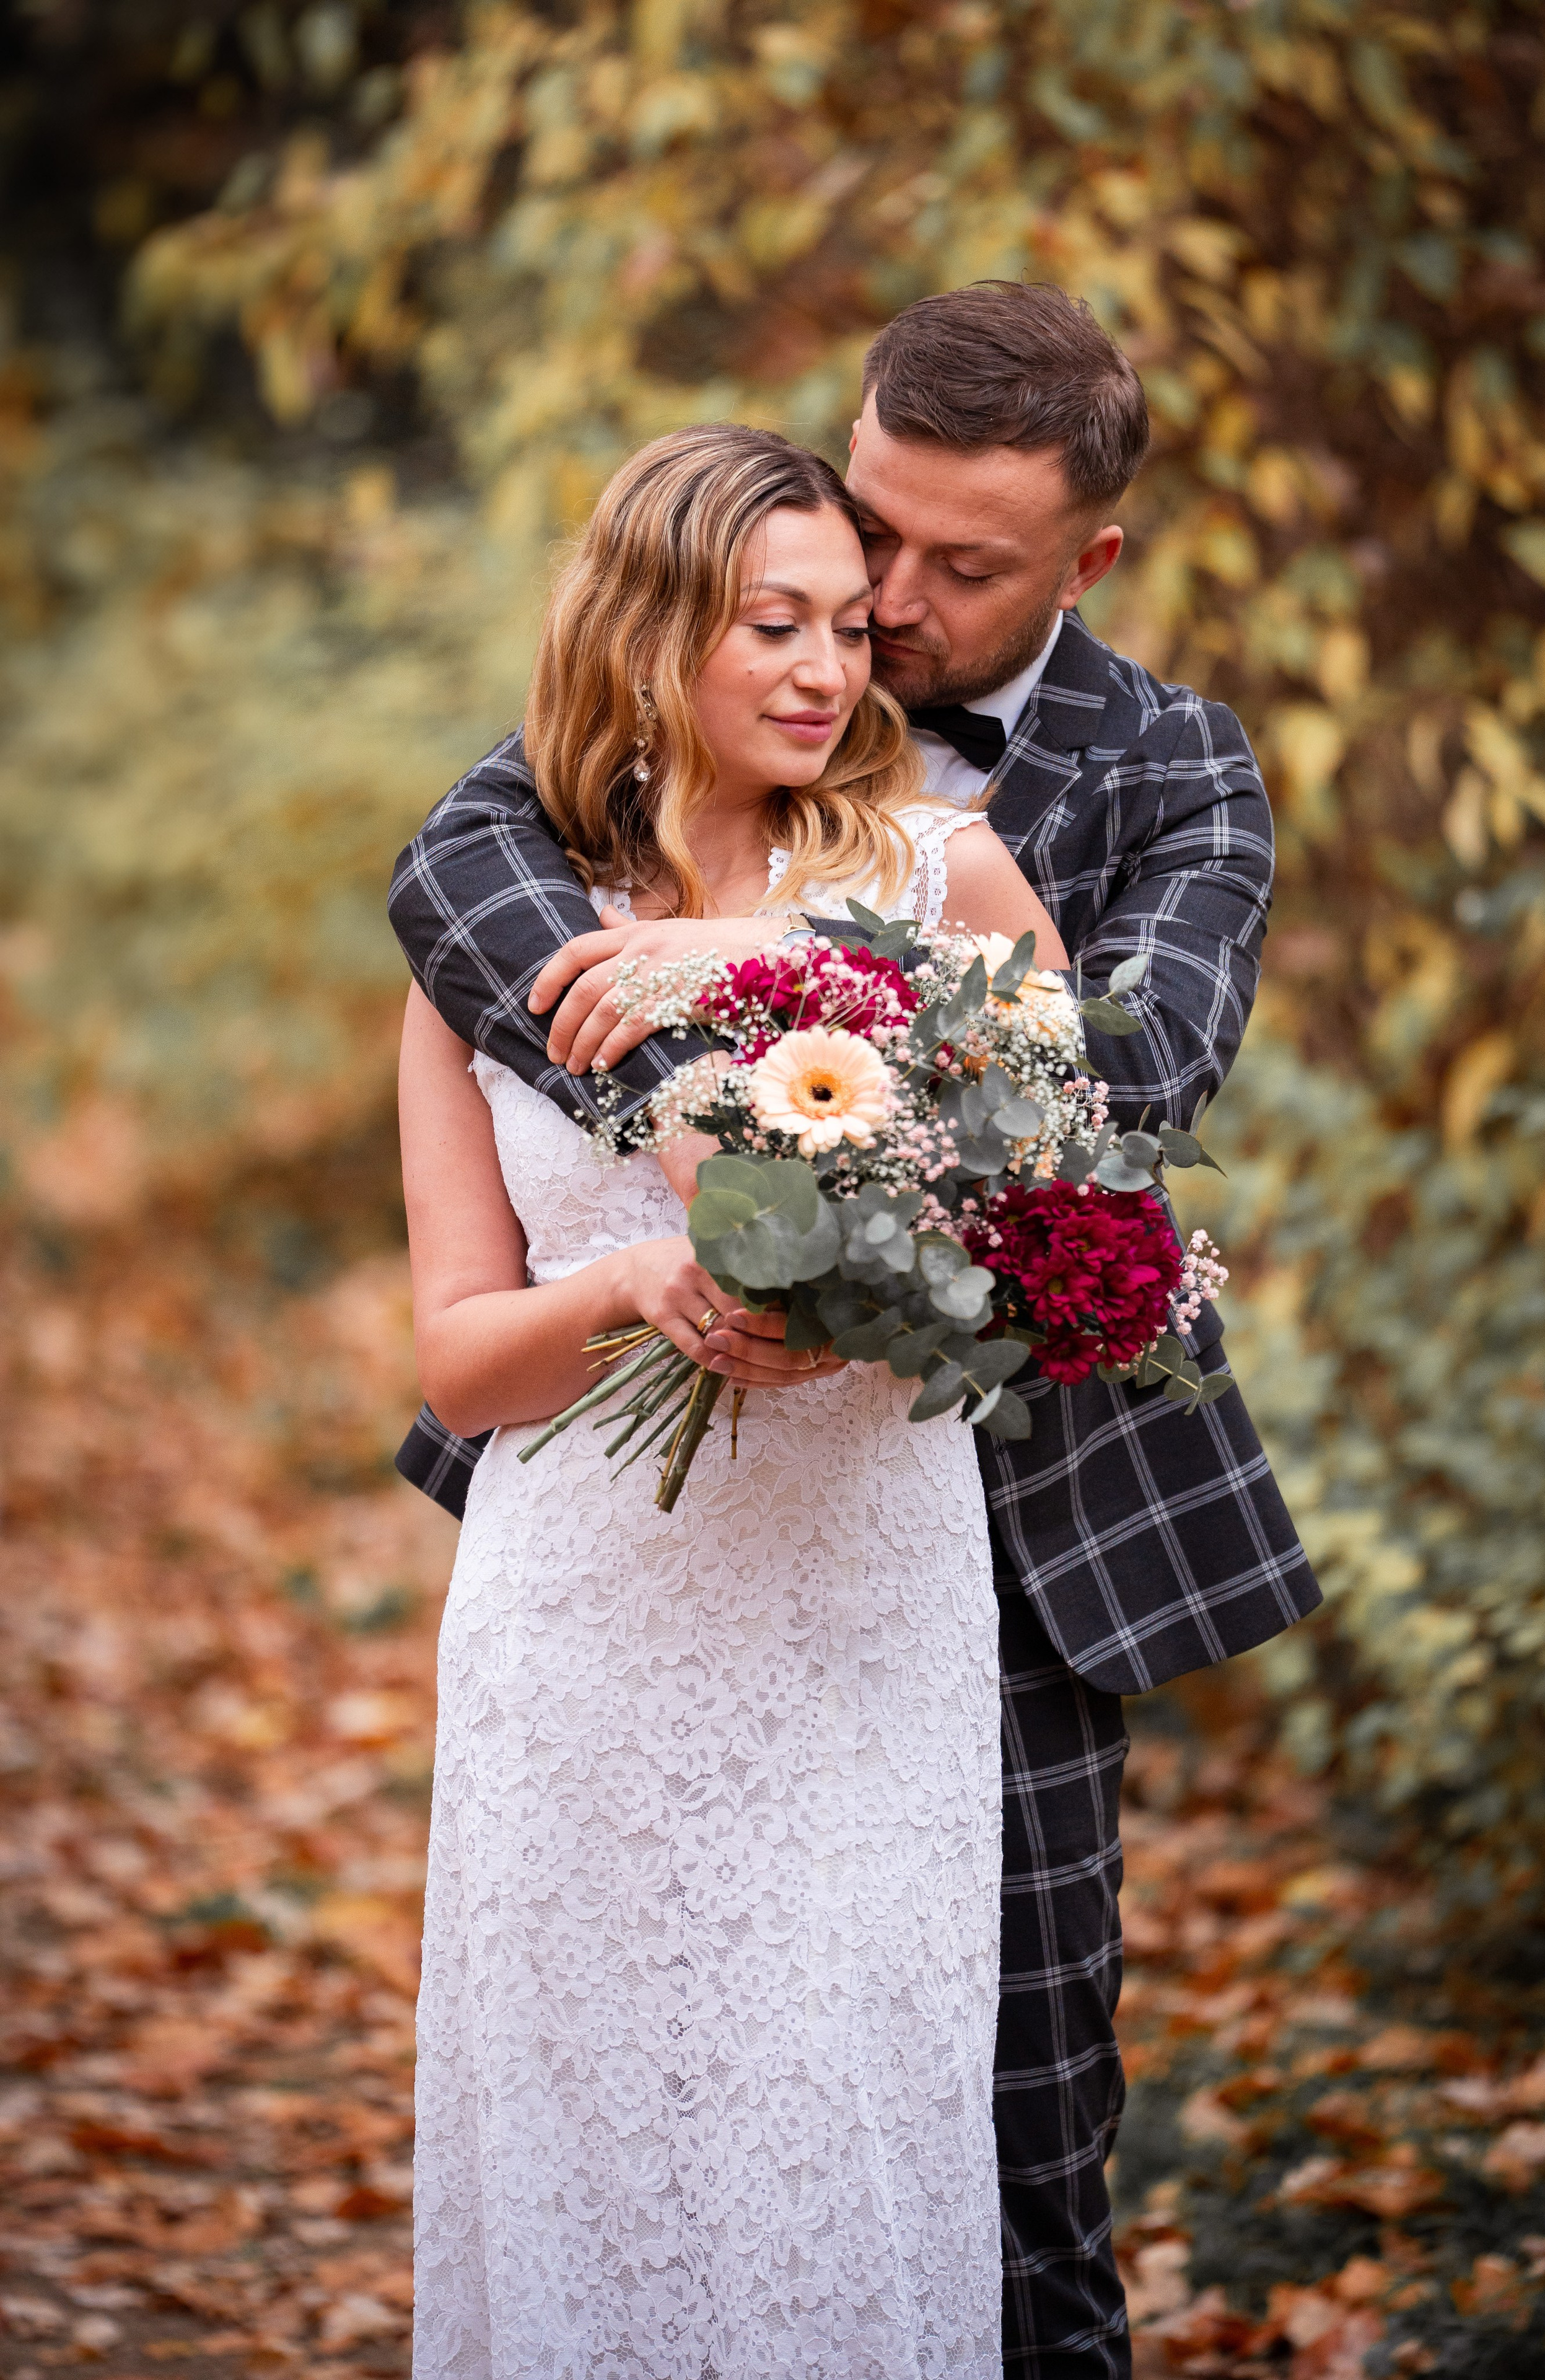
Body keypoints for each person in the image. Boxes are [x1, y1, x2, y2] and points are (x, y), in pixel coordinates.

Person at [390, 284, 1323, 2378]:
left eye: (948, 569)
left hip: (1014, 1538)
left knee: (1007, 2144)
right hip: (634, 1537)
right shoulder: (538, 806)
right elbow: (465, 910)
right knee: (612, 2123)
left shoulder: (1172, 771)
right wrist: (723, 1212)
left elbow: (1131, 1072)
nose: (878, 614)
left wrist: (776, 957)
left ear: (1088, 557)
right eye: (855, 540)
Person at [401, 420, 1076, 2378]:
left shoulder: (938, 869)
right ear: (644, 634)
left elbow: (1063, 1141)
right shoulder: (490, 930)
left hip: (860, 1599)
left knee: (840, 2131)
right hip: (580, 1618)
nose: (824, 669)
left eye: (847, 629)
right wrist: (629, 1286)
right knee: (589, 2151)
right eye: (768, 623)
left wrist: (877, 1271)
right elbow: (458, 1349)